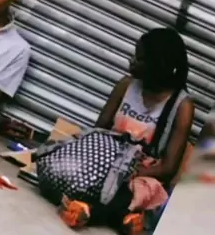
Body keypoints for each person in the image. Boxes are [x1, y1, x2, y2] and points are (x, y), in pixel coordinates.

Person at [62, 27, 195, 233]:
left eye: (139, 59)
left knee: (132, 193)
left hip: (141, 173)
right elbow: (98, 131)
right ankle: (123, 219)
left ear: (158, 65)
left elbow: (168, 167)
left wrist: (129, 173)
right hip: (107, 160)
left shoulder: (181, 105)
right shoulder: (126, 85)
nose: (131, 62)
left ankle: (92, 212)